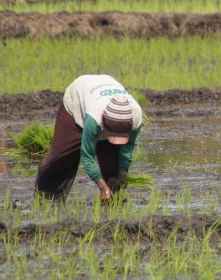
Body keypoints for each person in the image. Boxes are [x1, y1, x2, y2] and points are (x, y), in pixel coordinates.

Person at [35, 74, 143, 202]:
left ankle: (113, 202)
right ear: (104, 125)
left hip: (101, 94)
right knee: (58, 158)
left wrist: (123, 171)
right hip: (78, 100)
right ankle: (45, 199)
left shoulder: (136, 117)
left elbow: (128, 148)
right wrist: (103, 187)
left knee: (112, 167)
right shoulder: (94, 119)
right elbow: (87, 156)